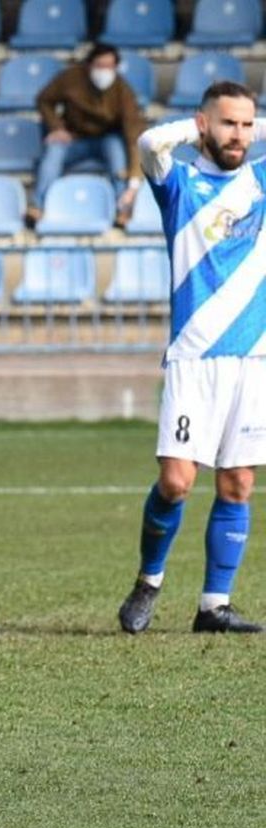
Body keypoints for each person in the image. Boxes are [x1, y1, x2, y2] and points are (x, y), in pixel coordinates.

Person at [117, 81, 266, 636]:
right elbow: (150, 142)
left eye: (248, 125)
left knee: (238, 485)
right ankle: (148, 582)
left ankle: (213, 606)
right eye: (228, 123)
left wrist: (248, 125)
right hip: (193, 359)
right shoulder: (179, 184)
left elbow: (247, 139)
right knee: (177, 481)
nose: (240, 135)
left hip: (253, 359)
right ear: (203, 124)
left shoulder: (260, 181)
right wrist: (203, 126)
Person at [30, 43, 146, 226]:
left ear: (116, 67)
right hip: (73, 137)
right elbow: (44, 100)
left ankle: (122, 208)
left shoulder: (123, 91)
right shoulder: (70, 78)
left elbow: (134, 135)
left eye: (110, 67)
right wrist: (56, 127)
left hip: (108, 138)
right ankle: (37, 206)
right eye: (100, 66)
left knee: (117, 154)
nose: (104, 71)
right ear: (89, 65)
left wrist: (133, 182)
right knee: (53, 151)